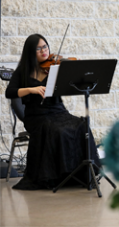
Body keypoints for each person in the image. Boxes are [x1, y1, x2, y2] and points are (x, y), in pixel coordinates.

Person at [4, 34, 100, 190]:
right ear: (30, 51)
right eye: (39, 48)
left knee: (82, 125)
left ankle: (79, 174)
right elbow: (10, 92)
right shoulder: (23, 70)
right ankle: (56, 176)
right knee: (55, 130)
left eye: (46, 47)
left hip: (58, 111)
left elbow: (73, 85)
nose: (44, 51)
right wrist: (31, 89)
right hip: (37, 115)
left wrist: (73, 72)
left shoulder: (55, 67)